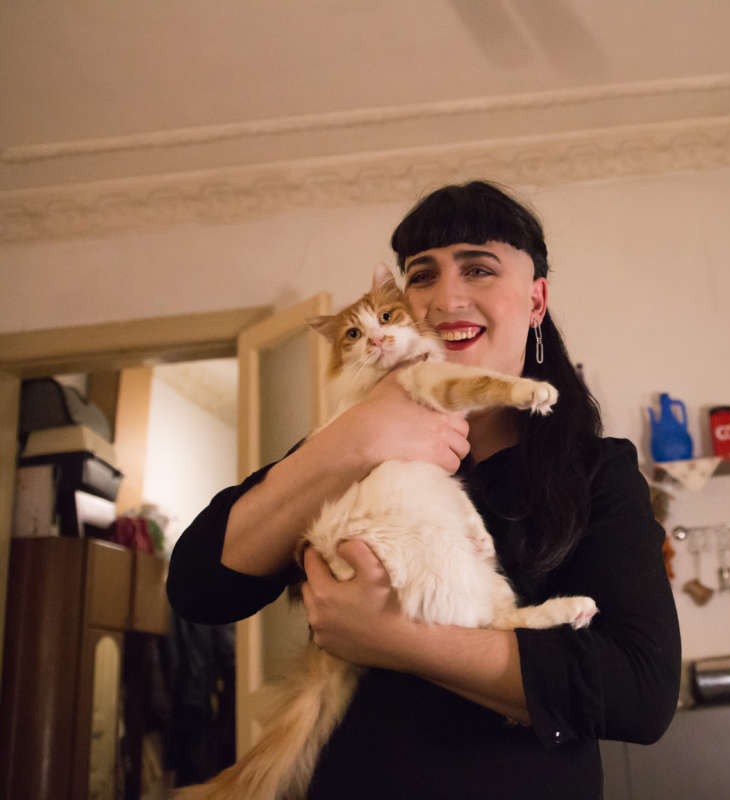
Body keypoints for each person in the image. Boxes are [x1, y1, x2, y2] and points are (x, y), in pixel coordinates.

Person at [166, 181, 681, 799]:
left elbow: (642, 696)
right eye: (422, 275)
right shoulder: (341, 447)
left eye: (479, 269)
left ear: (537, 301)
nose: (446, 297)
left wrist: (399, 639)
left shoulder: (598, 471)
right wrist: (354, 442)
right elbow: (198, 587)